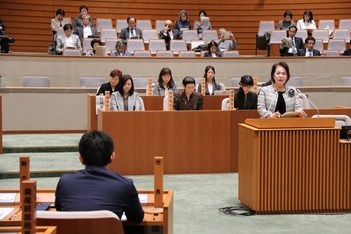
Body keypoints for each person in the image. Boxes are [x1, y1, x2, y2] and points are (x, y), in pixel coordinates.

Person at [55, 130, 144, 224]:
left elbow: (60, 212)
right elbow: (136, 218)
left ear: (80, 158)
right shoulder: (125, 185)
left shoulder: (64, 182)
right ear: (112, 157)